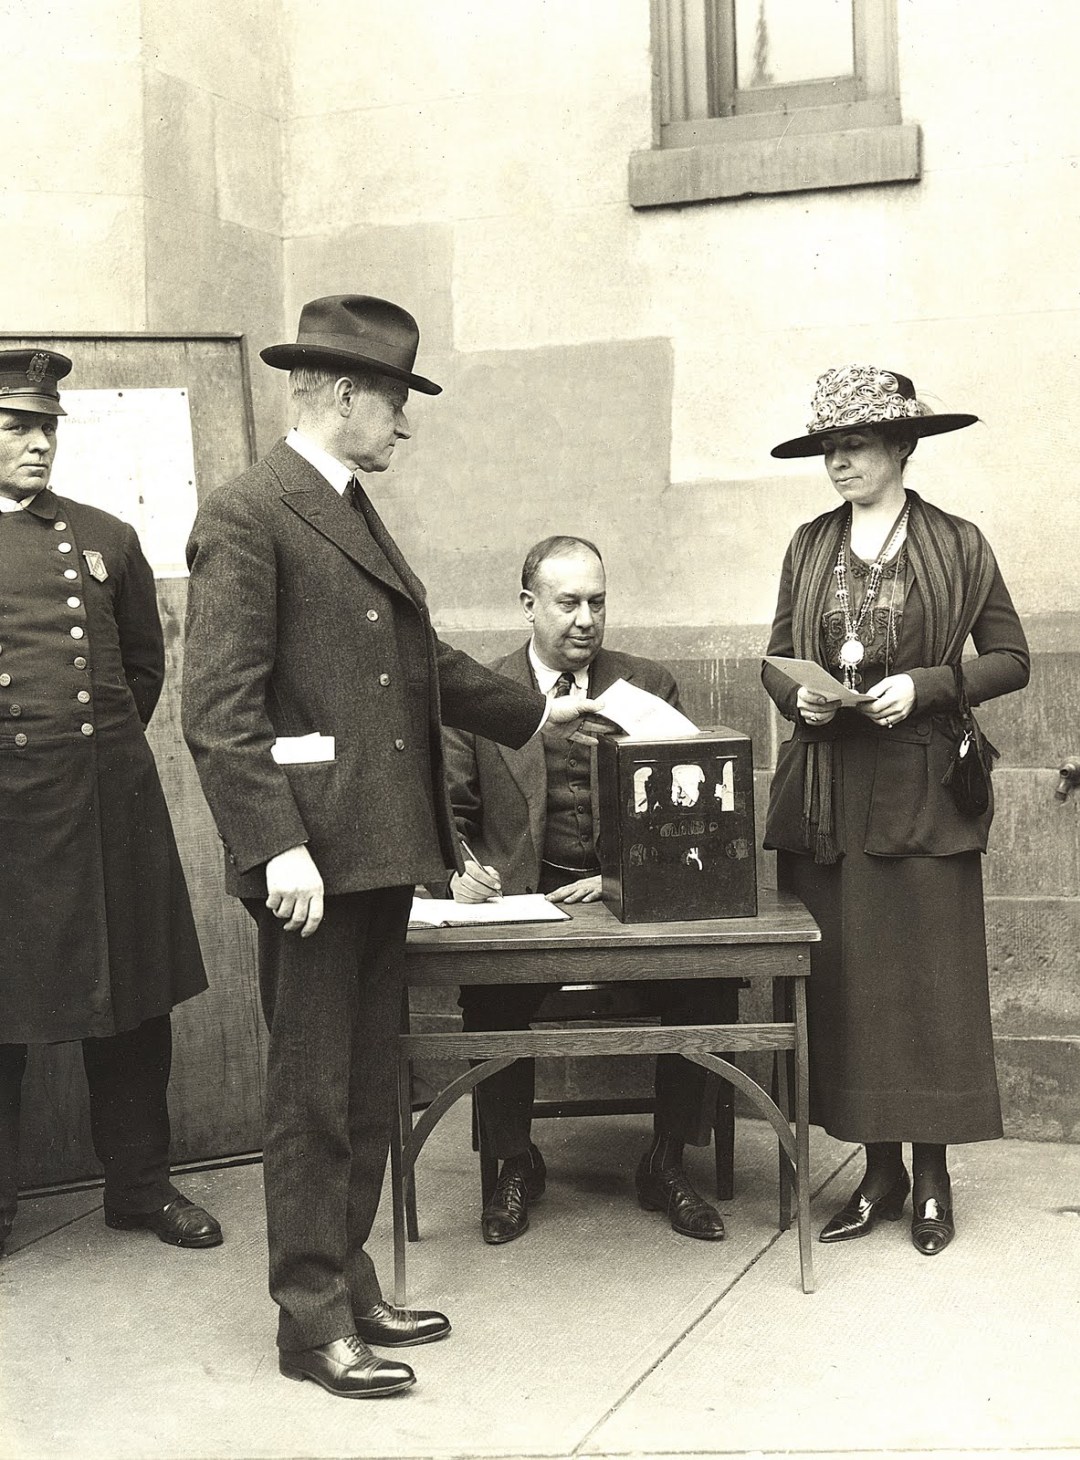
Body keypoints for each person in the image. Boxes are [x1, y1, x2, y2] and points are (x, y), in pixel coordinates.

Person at [180, 297, 599, 1400]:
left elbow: (416, 668)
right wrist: (275, 845)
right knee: (310, 1092)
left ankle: (349, 1277)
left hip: (374, 850)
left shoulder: (348, 508)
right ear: (347, 394)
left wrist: (533, 708)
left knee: (367, 1088)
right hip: (312, 863)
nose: (406, 418)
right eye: (399, 396)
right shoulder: (250, 512)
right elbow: (218, 708)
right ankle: (308, 1318)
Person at [761, 364, 1029, 1257]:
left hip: (921, 795)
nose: (840, 461)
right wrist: (796, 699)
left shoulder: (957, 543)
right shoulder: (808, 545)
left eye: (857, 445)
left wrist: (928, 684)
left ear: (902, 448)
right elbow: (777, 655)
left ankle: (933, 1178)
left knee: (927, 987)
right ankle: (876, 1175)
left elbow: (1010, 656)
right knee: (850, 988)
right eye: (830, 447)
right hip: (831, 796)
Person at [446, 535, 734, 1246]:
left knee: (708, 973)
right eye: (568, 602)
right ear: (528, 606)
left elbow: (682, 813)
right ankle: (516, 1161)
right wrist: (460, 869)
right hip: (525, 903)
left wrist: (612, 879)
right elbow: (449, 815)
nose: (586, 619)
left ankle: (667, 1162)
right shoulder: (482, 696)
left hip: (623, 901)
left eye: (597, 602)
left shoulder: (646, 685)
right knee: (491, 988)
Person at [0, 348, 221, 1258]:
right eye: (17, 428)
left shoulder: (105, 537)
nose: (38, 444)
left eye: (46, 428)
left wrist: (101, 761)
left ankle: (139, 1188)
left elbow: (142, 667)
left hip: (108, 808)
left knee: (133, 1005)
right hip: (7, 817)